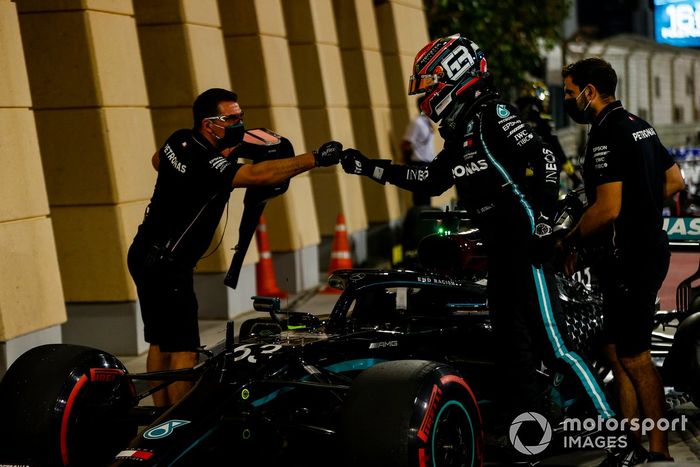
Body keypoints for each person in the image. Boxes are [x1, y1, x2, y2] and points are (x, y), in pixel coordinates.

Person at [341, 34, 614, 427]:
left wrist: (542, 221)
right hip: (501, 257)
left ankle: (613, 436)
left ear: (457, 75)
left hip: (528, 254)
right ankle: (530, 434)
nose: (427, 99)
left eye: (432, 87)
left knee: (556, 348)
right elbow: (430, 179)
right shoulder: (463, 129)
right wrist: (368, 166)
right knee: (512, 351)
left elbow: (546, 158)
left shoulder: (492, 114)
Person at [128, 88, 342, 406]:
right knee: (183, 350)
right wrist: (315, 158)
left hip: (144, 253)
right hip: (168, 265)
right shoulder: (205, 160)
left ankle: (156, 424)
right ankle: (178, 430)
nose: (239, 122)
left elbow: (158, 161)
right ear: (208, 124)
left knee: (161, 344)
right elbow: (257, 174)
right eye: (231, 118)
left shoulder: (179, 140)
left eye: (241, 116)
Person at [561, 58, 685, 464]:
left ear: (589, 92)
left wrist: (569, 240)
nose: (566, 99)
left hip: (630, 257)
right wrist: (643, 206)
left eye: (568, 91)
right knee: (616, 349)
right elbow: (674, 181)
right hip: (646, 249)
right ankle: (629, 440)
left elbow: (607, 208)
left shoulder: (605, 134)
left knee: (635, 355)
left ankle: (659, 448)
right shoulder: (637, 123)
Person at [401, 96, 435, 206]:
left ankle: (427, 220)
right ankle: (421, 221)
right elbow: (406, 143)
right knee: (420, 197)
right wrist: (405, 158)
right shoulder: (417, 123)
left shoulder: (427, 122)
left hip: (428, 163)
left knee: (427, 194)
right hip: (418, 163)